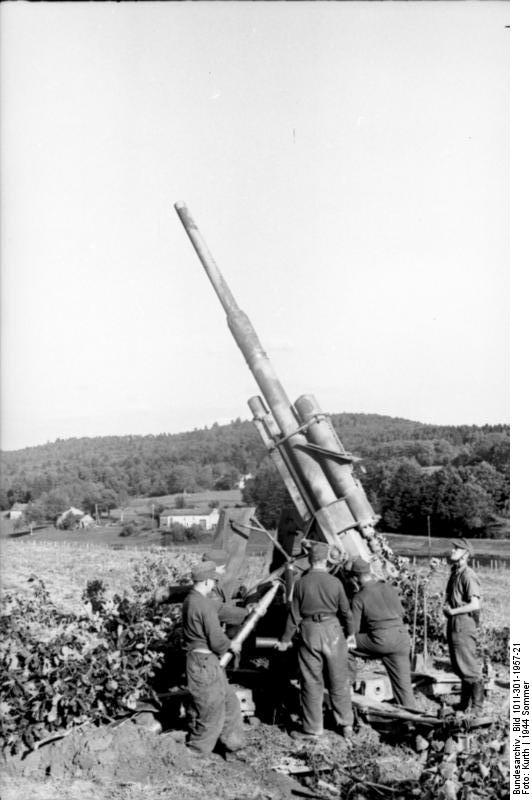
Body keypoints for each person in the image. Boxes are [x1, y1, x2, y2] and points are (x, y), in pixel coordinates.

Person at [276, 541, 356, 740]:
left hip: (310, 632)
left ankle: (313, 730)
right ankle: (346, 725)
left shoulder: (301, 583)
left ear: (310, 560)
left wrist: (285, 640)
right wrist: (351, 633)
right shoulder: (335, 582)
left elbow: (294, 616)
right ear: (326, 560)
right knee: (339, 680)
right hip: (334, 631)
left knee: (311, 682)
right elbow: (346, 612)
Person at [181, 560, 245, 757]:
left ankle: (232, 744)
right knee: (210, 709)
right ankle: (196, 752)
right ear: (208, 581)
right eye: (214, 581)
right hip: (204, 663)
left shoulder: (190, 600)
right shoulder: (204, 605)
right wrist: (231, 645)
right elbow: (217, 641)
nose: (215, 585)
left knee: (230, 702)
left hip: (205, 662)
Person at [347, 557, 417, 709]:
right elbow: (400, 612)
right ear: (369, 572)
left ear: (355, 578)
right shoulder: (388, 588)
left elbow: (353, 630)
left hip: (381, 640)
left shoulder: (359, 597)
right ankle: (413, 718)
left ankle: (347, 688)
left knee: (346, 645)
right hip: (402, 638)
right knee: (404, 687)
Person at [443, 538, 483, 713]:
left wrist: (453, 612)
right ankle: (464, 703)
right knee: (459, 664)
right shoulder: (455, 572)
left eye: (456, 549)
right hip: (455, 623)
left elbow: (475, 605)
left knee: (468, 666)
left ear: (465, 554)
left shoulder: (468, 575)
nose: (452, 551)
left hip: (463, 624)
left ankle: (477, 707)